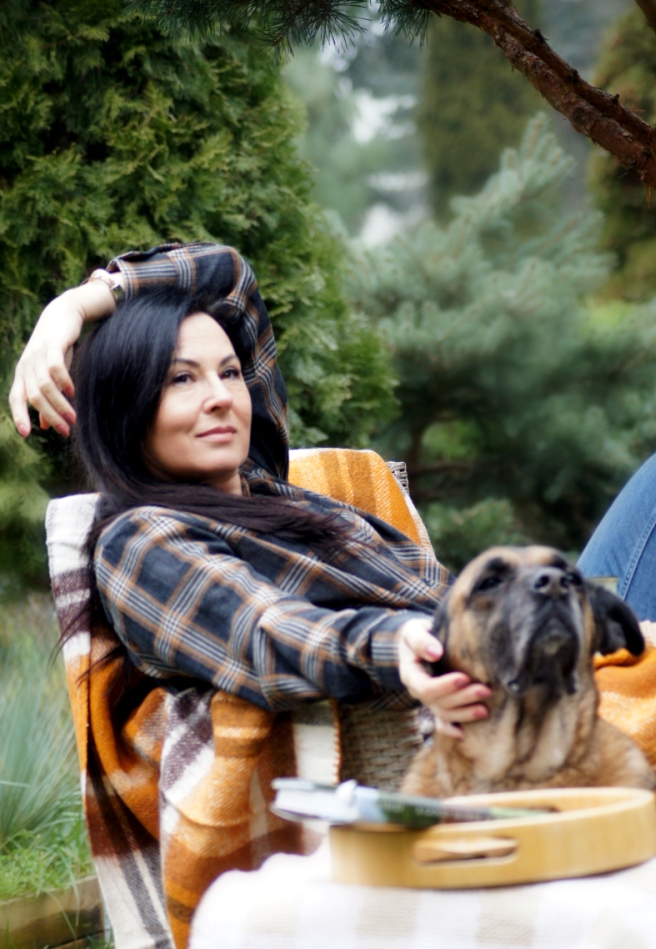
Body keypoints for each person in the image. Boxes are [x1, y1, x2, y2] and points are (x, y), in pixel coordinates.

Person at [10, 243, 492, 736]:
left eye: (230, 372)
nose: (221, 397)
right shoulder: (139, 542)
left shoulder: (258, 478)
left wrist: (73, 306)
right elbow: (267, 632)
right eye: (182, 379)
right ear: (125, 413)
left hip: (501, 641)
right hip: (464, 690)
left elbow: (230, 279)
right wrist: (396, 644)